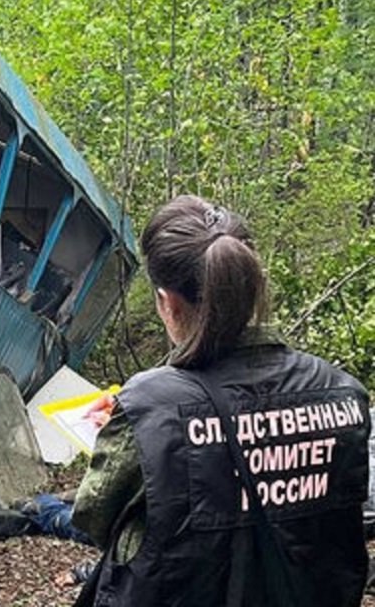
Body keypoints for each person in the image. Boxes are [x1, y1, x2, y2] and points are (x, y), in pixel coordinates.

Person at [71, 195, 370, 607]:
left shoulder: (148, 406)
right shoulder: (345, 394)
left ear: (167, 302)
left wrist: (122, 432)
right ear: (252, 284)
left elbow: (95, 517)